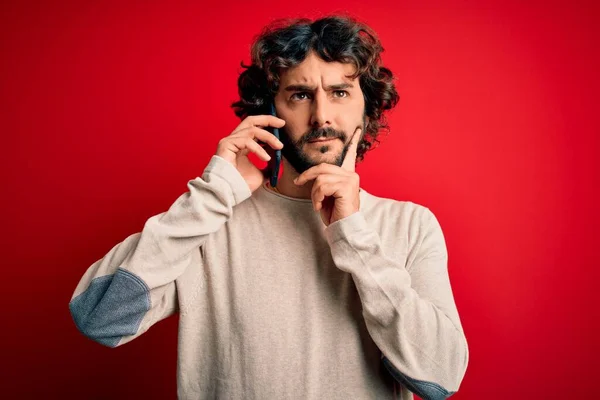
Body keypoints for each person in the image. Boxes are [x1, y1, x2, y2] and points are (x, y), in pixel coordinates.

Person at [69, 14, 469, 400]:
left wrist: (356, 237)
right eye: (299, 95)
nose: (321, 116)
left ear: (367, 112)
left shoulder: (411, 225)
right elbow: (98, 319)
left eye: (340, 93)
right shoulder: (210, 224)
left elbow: (440, 377)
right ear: (269, 111)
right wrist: (211, 197)